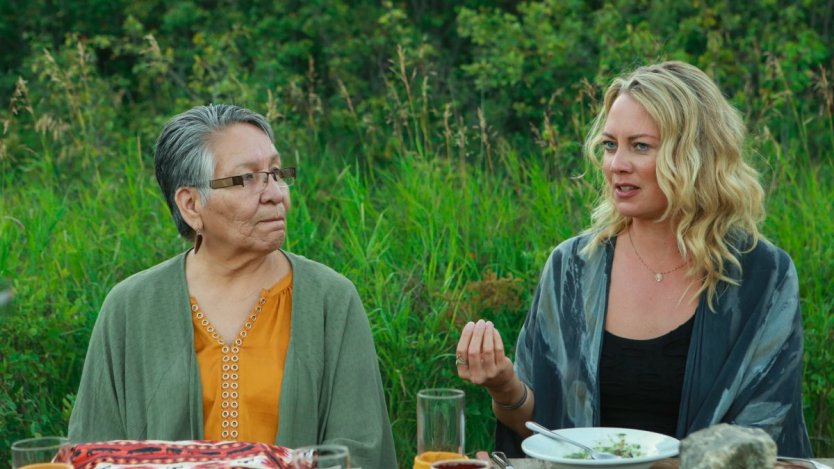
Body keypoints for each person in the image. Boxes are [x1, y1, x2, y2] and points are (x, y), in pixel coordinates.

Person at [455, 61, 812, 458]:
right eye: (610, 145)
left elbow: (763, 438)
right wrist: (504, 386)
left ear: (695, 155)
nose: (616, 164)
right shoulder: (571, 269)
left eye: (640, 146)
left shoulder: (763, 278)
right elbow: (545, 437)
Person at [69, 104, 398, 468]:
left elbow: (362, 453)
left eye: (276, 173)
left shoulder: (330, 300)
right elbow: (94, 452)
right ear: (191, 204)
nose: (276, 194)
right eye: (246, 179)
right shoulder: (130, 308)